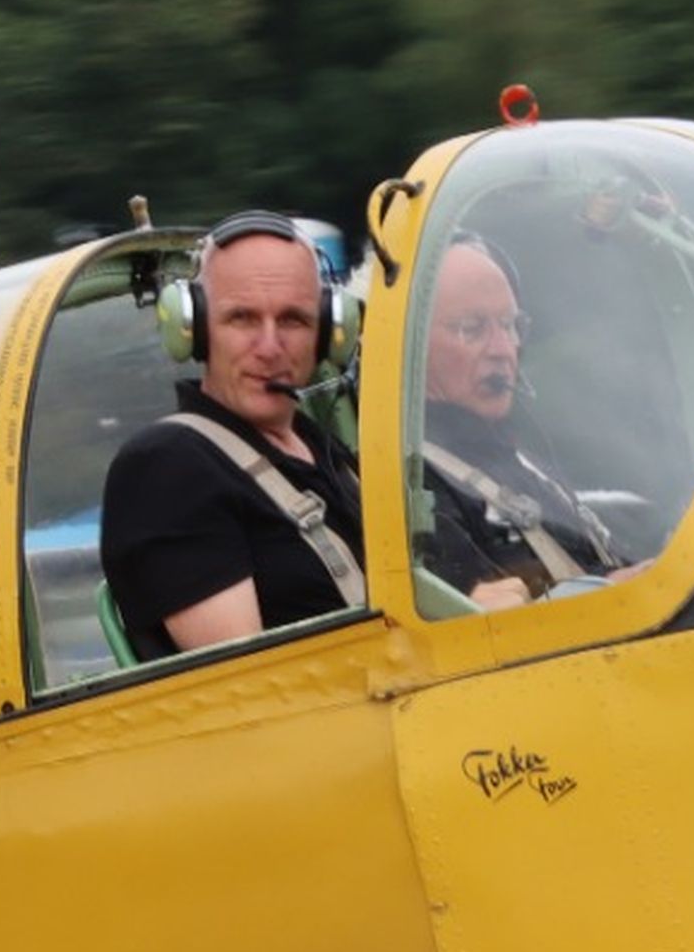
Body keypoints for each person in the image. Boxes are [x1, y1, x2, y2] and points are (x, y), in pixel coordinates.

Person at [98, 215, 364, 660]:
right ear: (195, 330)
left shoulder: (322, 449)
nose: (269, 346)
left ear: (327, 332)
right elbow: (249, 680)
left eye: (293, 320)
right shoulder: (168, 468)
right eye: (242, 318)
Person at [414, 235, 626, 606]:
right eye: (472, 328)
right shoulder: (417, 485)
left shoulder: (517, 458)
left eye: (509, 325)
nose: (502, 350)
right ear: (413, 346)